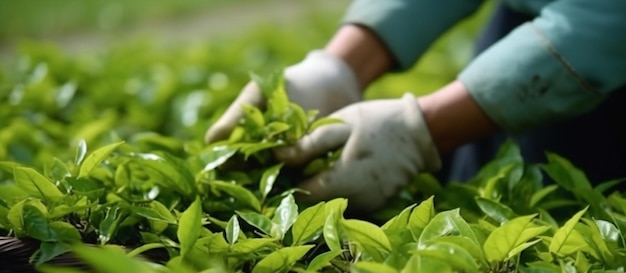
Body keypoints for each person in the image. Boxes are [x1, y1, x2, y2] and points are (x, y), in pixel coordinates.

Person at [205, 0, 626, 213]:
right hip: (533, 16)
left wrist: (421, 128)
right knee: (482, 186)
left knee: (561, 205)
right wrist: (340, 65)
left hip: (600, 50)